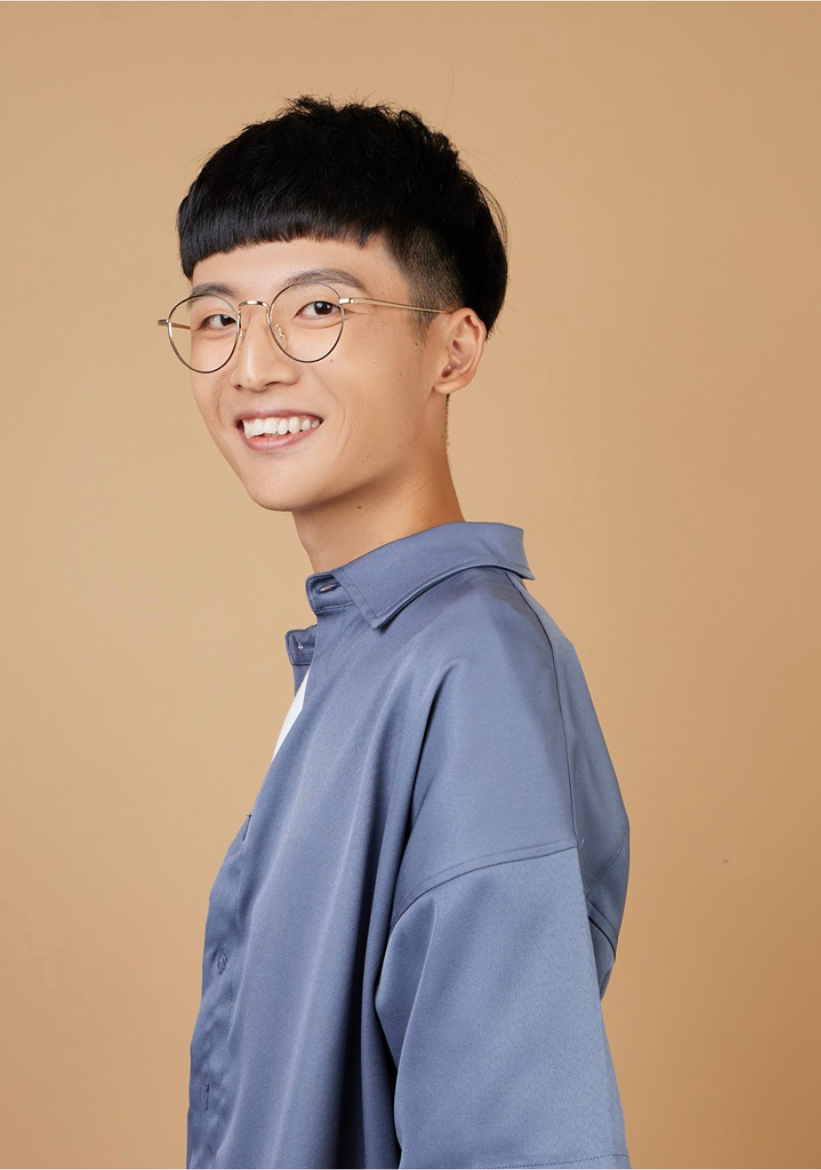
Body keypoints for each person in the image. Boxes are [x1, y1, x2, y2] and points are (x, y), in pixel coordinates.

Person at [162, 95, 632, 1170]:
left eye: (319, 308)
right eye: (218, 317)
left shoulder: (471, 666)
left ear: (452, 350)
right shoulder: (370, 650)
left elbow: (515, 1141)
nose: (252, 366)